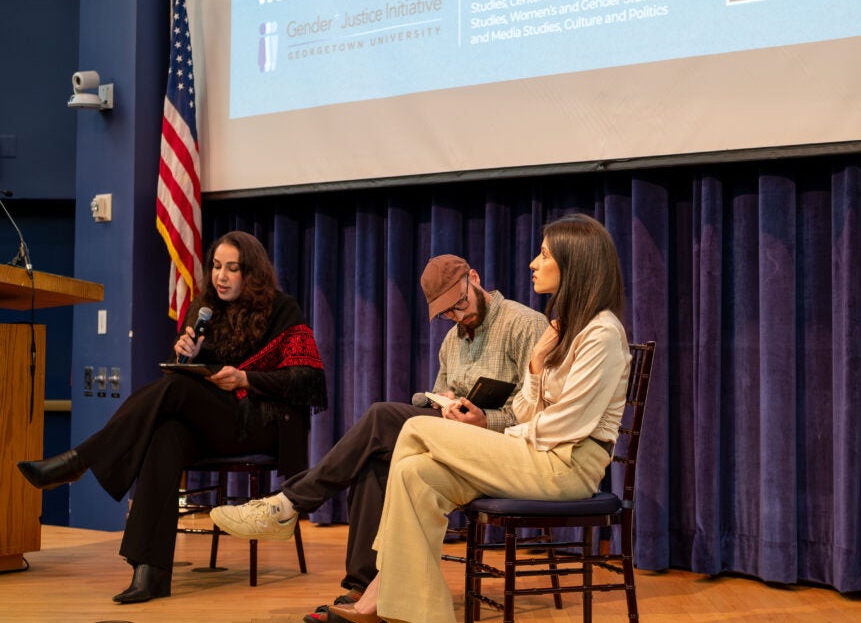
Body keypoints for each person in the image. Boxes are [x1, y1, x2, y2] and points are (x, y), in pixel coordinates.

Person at [208, 254, 548, 618]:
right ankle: (361, 589)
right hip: (453, 441)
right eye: (446, 312)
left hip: (504, 450)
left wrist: (486, 420)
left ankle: (289, 504)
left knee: (381, 415)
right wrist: (441, 402)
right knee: (374, 462)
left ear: (474, 279)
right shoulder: (452, 339)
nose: (457, 315)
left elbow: (539, 414)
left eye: (459, 304)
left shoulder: (524, 324)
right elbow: (433, 401)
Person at [330, 213, 632, 623]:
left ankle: (381, 588)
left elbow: (568, 425)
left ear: (573, 262)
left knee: (415, 426)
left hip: (569, 467)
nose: (532, 264)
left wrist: (511, 436)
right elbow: (528, 407)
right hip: (537, 455)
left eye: (543, 255)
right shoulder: (564, 330)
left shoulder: (602, 333)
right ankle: (420, 612)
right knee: (415, 474)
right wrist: (537, 365)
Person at [16, 231, 327, 604]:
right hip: (213, 422)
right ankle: (151, 573)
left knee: (176, 391)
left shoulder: (281, 309)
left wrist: (246, 378)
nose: (220, 277)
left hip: (260, 423)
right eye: (215, 267)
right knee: (166, 435)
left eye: (232, 268)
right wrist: (188, 356)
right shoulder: (203, 312)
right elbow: (183, 384)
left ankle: (79, 460)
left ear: (252, 273)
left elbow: (308, 379)